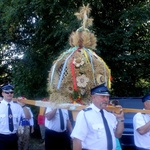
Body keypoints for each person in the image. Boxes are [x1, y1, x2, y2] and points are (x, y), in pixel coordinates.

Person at [71, 83, 124, 150]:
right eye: (102, 96)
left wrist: (121, 119)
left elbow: (118, 135)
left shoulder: (110, 115)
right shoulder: (85, 114)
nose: (106, 99)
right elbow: (77, 139)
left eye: (107, 97)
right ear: (93, 97)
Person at [0, 84, 31, 150]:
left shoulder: (18, 106)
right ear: (2, 93)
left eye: (11, 92)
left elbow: (28, 117)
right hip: (1, 137)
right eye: (7, 92)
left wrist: (23, 106)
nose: (9, 94)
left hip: (14, 136)